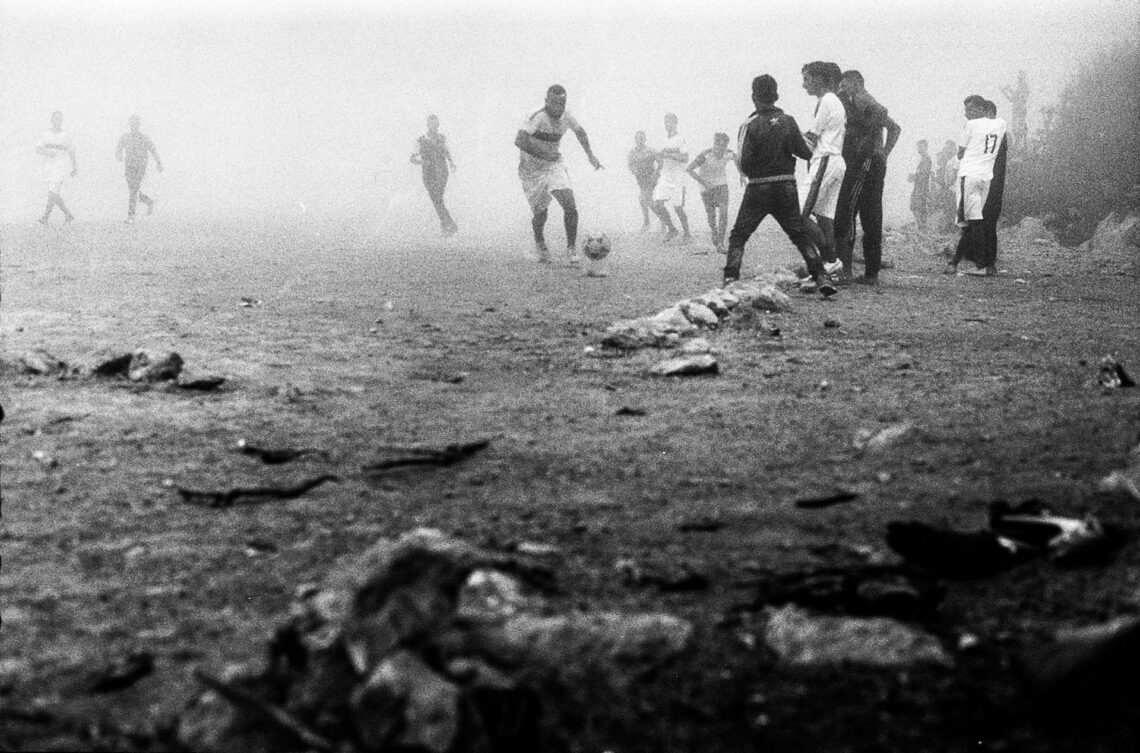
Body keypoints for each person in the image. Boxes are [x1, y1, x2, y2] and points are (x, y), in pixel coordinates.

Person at [724, 74, 836, 298]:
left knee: (739, 235)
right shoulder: (788, 120)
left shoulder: (749, 124)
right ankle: (821, 276)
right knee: (799, 234)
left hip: (758, 187)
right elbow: (805, 152)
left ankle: (730, 279)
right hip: (786, 186)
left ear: (754, 96)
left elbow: (744, 161)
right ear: (775, 95)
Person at [515, 84, 603, 264]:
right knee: (541, 214)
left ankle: (571, 250)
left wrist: (590, 155)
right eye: (554, 103)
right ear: (546, 101)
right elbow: (520, 140)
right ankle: (540, 244)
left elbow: (580, 133)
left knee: (569, 205)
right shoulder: (537, 116)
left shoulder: (567, 116)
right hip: (531, 169)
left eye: (562, 103)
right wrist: (543, 153)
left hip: (554, 164)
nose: (558, 108)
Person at [833, 70, 901, 285]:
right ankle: (871, 273)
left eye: (844, 85)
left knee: (849, 211)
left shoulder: (861, 97)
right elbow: (895, 127)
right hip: (874, 163)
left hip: (865, 163)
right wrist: (883, 152)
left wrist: (869, 144)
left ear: (856, 83)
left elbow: (882, 112)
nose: (841, 90)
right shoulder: (857, 104)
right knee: (871, 216)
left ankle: (847, 270)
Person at [944, 95, 1007, 276]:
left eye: (970, 110)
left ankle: (978, 264)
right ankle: (980, 263)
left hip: (980, 180)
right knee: (979, 223)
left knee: (974, 222)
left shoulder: (980, 130)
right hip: (989, 182)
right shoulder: (997, 131)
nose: (967, 115)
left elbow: (963, 154)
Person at [799, 61, 847, 275]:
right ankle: (830, 268)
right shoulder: (832, 101)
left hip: (825, 160)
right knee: (825, 216)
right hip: (835, 160)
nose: (804, 85)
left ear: (819, 79)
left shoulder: (826, 100)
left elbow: (811, 138)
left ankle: (830, 259)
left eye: (807, 79)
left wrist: (783, 142)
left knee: (798, 215)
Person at [685, 132, 738, 254]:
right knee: (711, 215)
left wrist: (741, 174)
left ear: (726, 146)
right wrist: (704, 182)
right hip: (706, 187)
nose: (720, 150)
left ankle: (721, 243)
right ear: (714, 145)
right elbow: (689, 169)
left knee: (724, 213)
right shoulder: (705, 155)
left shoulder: (728, 153)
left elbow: (736, 159)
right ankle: (714, 232)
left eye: (723, 146)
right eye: (718, 146)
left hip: (721, 184)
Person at [410, 114, 458, 236]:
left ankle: (447, 226)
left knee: (438, 200)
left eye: (436, 124)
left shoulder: (442, 138)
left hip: (442, 172)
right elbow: (412, 158)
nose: (434, 127)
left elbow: (447, 151)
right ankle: (449, 225)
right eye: (432, 124)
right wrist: (422, 162)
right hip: (428, 173)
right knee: (437, 199)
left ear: (438, 125)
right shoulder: (421, 140)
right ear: (427, 125)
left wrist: (452, 162)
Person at [652, 113, 692, 243]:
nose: (667, 125)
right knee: (657, 204)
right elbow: (661, 157)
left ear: (675, 123)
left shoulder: (680, 139)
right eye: (666, 122)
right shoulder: (663, 139)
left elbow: (685, 158)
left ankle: (687, 234)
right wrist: (657, 169)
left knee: (678, 207)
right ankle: (672, 229)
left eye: (670, 122)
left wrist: (668, 154)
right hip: (665, 176)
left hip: (678, 178)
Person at [115, 115, 163, 224]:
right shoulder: (125, 137)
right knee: (134, 191)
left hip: (140, 167)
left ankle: (131, 215)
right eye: (132, 124)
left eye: (136, 124)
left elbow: (153, 150)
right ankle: (148, 201)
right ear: (129, 125)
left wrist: (159, 163)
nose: (134, 126)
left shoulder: (144, 138)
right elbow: (118, 151)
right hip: (129, 167)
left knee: (133, 190)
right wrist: (119, 156)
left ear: (139, 125)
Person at [979, 100, 1009, 273]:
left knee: (988, 221)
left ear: (990, 112)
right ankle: (983, 259)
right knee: (983, 220)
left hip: (992, 183)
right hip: (989, 182)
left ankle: (989, 263)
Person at [36, 111, 77, 225]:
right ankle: (68, 214)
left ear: (62, 121)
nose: (57, 121)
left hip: (61, 165)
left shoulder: (66, 135)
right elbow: (38, 149)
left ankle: (45, 217)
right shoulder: (45, 134)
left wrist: (74, 166)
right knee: (54, 193)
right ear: (52, 120)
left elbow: (71, 151)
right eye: (55, 119)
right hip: (48, 166)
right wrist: (47, 153)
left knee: (52, 191)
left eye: (60, 119)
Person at [627, 130, 659, 231]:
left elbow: (660, 162)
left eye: (642, 138)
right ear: (635, 140)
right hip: (640, 179)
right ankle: (662, 216)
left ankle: (647, 222)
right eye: (637, 139)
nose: (640, 141)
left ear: (645, 139)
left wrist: (656, 173)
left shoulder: (651, 150)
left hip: (651, 177)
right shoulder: (632, 152)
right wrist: (634, 171)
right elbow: (630, 164)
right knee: (646, 200)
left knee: (643, 199)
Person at [933, 140, 960, 233]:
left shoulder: (956, 159)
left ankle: (952, 227)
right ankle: (949, 227)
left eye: (948, 148)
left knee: (951, 208)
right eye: (946, 148)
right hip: (950, 188)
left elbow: (956, 174)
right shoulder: (950, 160)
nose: (947, 150)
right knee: (948, 208)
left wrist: (948, 185)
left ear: (953, 148)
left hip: (954, 188)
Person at [907, 139, 933, 230]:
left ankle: (922, 228)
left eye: (921, 146)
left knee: (918, 207)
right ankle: (921, 227)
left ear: (926, 147)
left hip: (922, 188)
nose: (919, 148)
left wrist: (914, 177)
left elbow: (924, 174)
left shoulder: (926, 159)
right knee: (916, 206)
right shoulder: (923, 158)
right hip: (918, 187)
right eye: (918, 146)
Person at [1000, 70, 1029, 150]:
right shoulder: (1022, 87)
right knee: (1017, 127)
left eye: (1020, 78)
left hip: (1019, 110)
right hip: (1017, 109)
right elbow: (1014, 98)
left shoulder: (1023, 86)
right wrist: (1006, 91)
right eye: (1019, 78)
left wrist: (1007, 90)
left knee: (1019, 127)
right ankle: (1018, 145)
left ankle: (1020, 145)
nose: (1019, 80)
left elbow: (1016, 98)